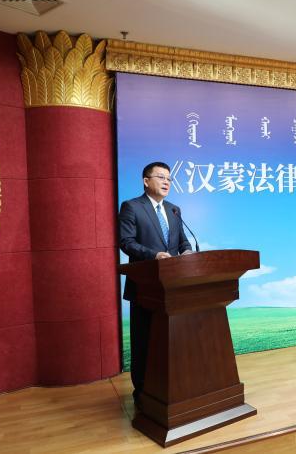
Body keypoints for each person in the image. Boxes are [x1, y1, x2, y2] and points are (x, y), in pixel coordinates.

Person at [119, 161, 192, 406]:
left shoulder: (174, 210)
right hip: (145, 287)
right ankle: (142, 393)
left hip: (173, 287)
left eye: (169, 179)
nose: (166, 182)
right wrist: (154, 255)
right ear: (146, 180)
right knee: (144, 342)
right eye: (161, 177)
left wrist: (187, 252)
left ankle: (173, 389)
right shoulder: (132, 207)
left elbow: (182, 242)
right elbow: (126, 242)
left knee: (172, 341)